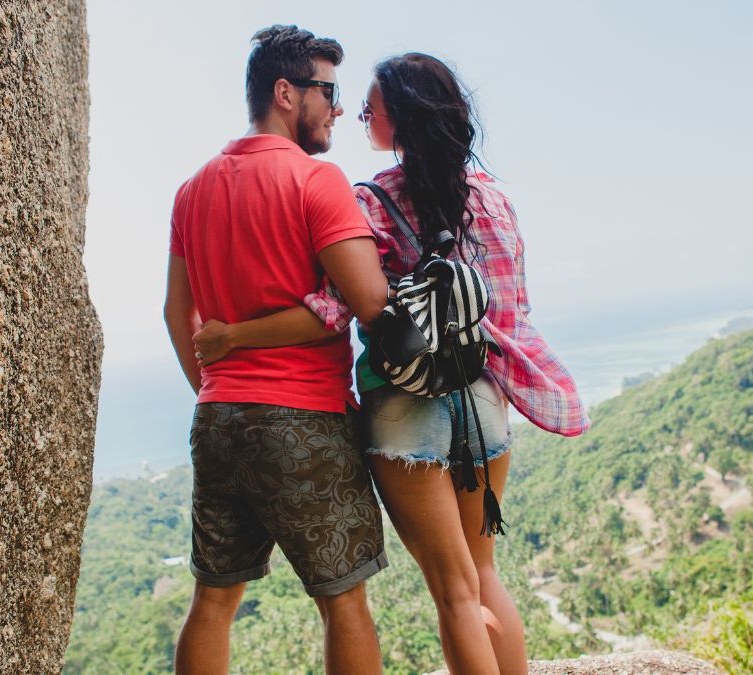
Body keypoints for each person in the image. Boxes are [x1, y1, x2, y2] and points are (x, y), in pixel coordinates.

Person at [193, 53, 590, 674]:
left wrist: (233, 337)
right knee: (484, 573)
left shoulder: (372, 201)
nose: (360, 113)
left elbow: (339, 307)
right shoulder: (492, 199)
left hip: (405, 405)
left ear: (400, 116)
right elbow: (513, 309)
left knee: (453, 591)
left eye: (372, 107)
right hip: (484, 394)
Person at [162, 25, 392, 675]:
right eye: (329, 91)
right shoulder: (316, 181)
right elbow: (368, 301)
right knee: (344, 602)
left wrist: (217, 385)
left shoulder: (192, 189)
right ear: (286, 92)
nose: (339, 108)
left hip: (217, 417)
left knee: (213, 600)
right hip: (303, 418)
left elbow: (176, 312)